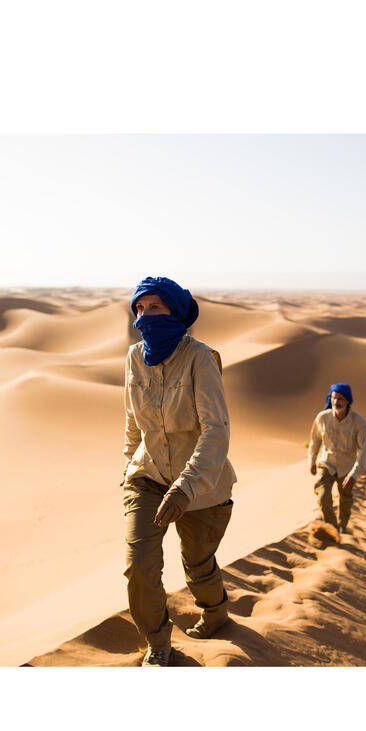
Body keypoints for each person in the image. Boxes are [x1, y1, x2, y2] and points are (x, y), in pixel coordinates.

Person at [122, 276, 237, 667]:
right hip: (148, 474)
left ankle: (216, 611)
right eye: (140, 308)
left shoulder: (200, 358)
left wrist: (186, 487)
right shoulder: (135, 357)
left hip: (201, 484)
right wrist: (128, 464)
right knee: (139, 566)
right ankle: (158, 642)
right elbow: (132, 420)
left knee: (198, 562)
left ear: (174, 309)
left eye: (155, 307)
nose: (145, 316)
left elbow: (216, 430)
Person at [308, 383, 366, 534]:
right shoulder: (322, 418)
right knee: (323, 497)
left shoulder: (358, 422)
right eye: (334, 398)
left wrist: (354, 474)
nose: (336, 402)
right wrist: (312, 461)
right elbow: (315, 441)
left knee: (345, 500)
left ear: (348, 400)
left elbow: (363, 450)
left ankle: (342, 526)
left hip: (347, 468)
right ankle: (332, 530)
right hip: (326, 464)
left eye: (340, 399)